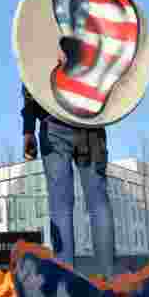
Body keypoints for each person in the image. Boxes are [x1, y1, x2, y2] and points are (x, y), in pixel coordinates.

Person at [21, 82, 116, 279]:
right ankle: (111, 283)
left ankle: (67, 285)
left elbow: (31, 85)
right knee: (99, 204)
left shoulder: (40, 50)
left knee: (60, 207)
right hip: (90, 122)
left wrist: (28, 130)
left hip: (53, 122)